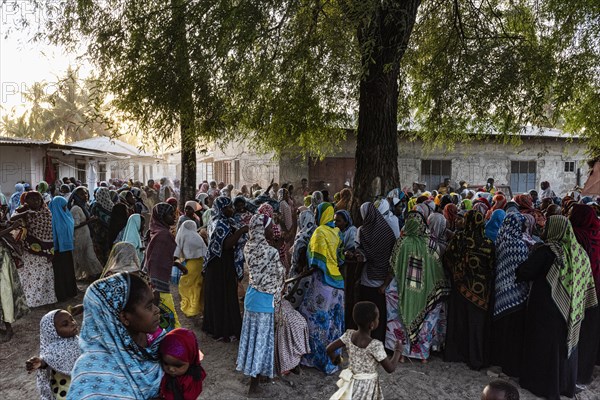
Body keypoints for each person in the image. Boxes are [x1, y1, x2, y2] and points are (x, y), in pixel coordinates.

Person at [516, 215, 597, 399]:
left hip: (546, 307)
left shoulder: (547, 251)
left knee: (544, 346)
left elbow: (525, 272)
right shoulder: (579, 252)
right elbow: (586, 281)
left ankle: (542, 385)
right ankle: (565, 385)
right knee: (566, 344)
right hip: (572, 308)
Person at [68, 273, 164, 399]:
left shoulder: (159, 342)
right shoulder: (91, 373)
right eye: (149, 306)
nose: (157, 310)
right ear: (124, 317)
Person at [386, 212, 449, 361]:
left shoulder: (401, 242)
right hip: (426, 292)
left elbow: (392, 266)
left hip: (401, 289)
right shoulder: (430, 243)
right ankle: (422, 355)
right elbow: (437, 269)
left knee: (399, 321)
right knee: (425, 321)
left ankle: (400, 354)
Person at [237, 214, 286, 395]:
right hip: (265, 301)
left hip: (252, 298)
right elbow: (279, 274)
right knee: (261, 341)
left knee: (252, 339)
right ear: (261, 228)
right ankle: (254, 386)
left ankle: (258, 375)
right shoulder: (271, 252)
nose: (271, 228)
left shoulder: (248, 246)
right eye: (269, 226)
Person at [443, 210, 495, 370]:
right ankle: (476, 358)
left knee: (459, 321)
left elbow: (447, 258)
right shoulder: (488, 243)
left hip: (460, 287)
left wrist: (457, 273)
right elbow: (492, 268)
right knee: (476, 325)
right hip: (480, 292)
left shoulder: (459, 238)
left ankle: (455, 354)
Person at [299, 202, 344, 374]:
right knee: (334, 322)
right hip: (338, 284)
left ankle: (316, 359)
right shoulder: (336, 232)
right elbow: (340, 258)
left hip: (323, 282)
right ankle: (333, 359)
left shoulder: (320, 232)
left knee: (314, 321)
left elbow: (315, 261)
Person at [326, 302, 402, 400]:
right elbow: (390, 368)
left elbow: (329, 349)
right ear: (372, 325)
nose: (378, 320)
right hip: (367, 386)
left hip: (351, 383)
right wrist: (398, 351)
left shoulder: (349, 335)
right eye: (377, 318)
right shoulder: (375, 345)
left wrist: (337, 361)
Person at [490, 213, 530, 378]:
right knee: (514, 332)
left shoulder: (500, 242)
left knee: (503, 329)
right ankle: (511, 366)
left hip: (500, 290)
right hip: (516, 294)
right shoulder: (518, 245)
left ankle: (500, 360)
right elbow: (523, 270)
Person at [203, 197, 247, 341]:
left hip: (222, 262)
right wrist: (241, 231)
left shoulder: (224, 221)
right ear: (221, 209)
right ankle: (223, 329)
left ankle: (220, 326)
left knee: (223, 295)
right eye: (228, 207)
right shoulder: (219, 223)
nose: (232, 209)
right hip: (219, 264)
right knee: (223, 296)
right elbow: (226, 244)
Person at [354, 202, 396, 342]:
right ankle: (379, 339)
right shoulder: (388, 231)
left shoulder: (363, 231)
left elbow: (363, 254)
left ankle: (365, 338)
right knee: (379, 312)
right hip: (384, 278)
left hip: (368, 277)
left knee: (366, 311)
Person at [568, 204, 600, 384]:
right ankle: (586, 370)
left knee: (578, 331)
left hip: (580, 291)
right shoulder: (597, 233)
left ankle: (577, 372)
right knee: (591, 332)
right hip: (597, 290)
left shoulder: (575, 236)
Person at [12, 191, 57, 307]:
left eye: (38, 199)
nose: (36, 202)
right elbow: (12, 220)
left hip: (46, 249)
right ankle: (30, 301)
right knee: (31, 277)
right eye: (32, 199)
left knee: (45, 276)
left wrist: (51, 250)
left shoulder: (46, 211)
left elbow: (50, 232)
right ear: (26, 201)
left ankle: (45, 300)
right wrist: (26, 212)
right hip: (29, 250)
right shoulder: (22, 210)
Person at [145, 203, 185, 332]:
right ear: (162, 216)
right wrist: (155, 288)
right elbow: (155, 261)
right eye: (170, 214)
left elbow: (161, 257)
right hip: (159, 286)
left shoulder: (157, 230)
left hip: (157, 282)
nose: (174, 217)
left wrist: (177, 264)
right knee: (168, 321)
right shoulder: (163, 235)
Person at [26, 309, 80, 400]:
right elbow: (48, 360)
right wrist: (41, 363)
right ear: (52, 331)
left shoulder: (77, 340)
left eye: (72, 319)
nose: (73, 323)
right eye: (65, 324)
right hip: (65, 391)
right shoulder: (53, 349)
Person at [0, 219, 29, 342]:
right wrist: (12, 227)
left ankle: (8, 328)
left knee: (4, 293)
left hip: (2, 261)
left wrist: (11, 226)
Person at [159, 328, 207, 400]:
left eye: (178, 365)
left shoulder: (192, 379)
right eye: (166, 363)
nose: (171, 369)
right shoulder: (160, 372)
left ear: (191, 359)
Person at [67, 187, 103, 281]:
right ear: (76, 196)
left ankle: (95, 273)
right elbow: (74, 226)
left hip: (86, 236)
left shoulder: (85, 206)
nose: (85, 196)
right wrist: (89, 221)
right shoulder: (75, 209)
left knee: (90, 256)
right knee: (78, 257)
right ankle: (74, 278)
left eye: (86, 193)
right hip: (78, 236)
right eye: (82, 194)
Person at [175, 220, 208, 318]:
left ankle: (190, 308)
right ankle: (198, 308)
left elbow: (176, 251)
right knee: (198, 287)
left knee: (185, 286)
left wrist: (177, 263)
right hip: (201, 263)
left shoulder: (182, 236)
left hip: (191, 264)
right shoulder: (197, 237)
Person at [48, 196, 78, 302]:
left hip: (66, 249)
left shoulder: (66, 215)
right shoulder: (51, 218)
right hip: (57, 250)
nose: (66, 208)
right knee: (60, 272)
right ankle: (62, 294)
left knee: (68, 270)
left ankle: (70, 291)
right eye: (64, 206)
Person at [287, 210, 316, 309]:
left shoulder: (301, 237)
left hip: (299, 274)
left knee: (295, 303)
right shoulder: (316, 234)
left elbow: (296, 259)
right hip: (312, 274)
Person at [89, 187, 113, 266]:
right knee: (108, 252)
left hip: (97, 233)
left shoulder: (95, 205)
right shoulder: (112, 205)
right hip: (109, 232)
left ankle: (102, 270)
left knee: (100, 253)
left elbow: (91, 218)